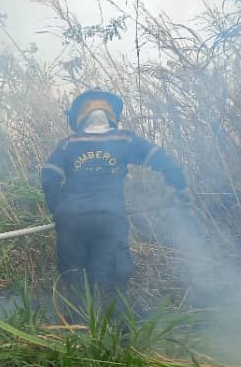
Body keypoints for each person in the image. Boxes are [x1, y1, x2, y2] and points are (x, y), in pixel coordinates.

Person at [40, 89, 188, 312]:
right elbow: (160, 159)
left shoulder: (68, 144)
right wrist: (181, 186)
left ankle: (78, 334)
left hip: (70, 221)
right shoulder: (125, 139)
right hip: (109, 218)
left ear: (78, 118)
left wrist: (58, 211)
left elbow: (49, 177)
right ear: (112, 115)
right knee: (114, 282)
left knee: (75, 281)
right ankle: (118, 337)